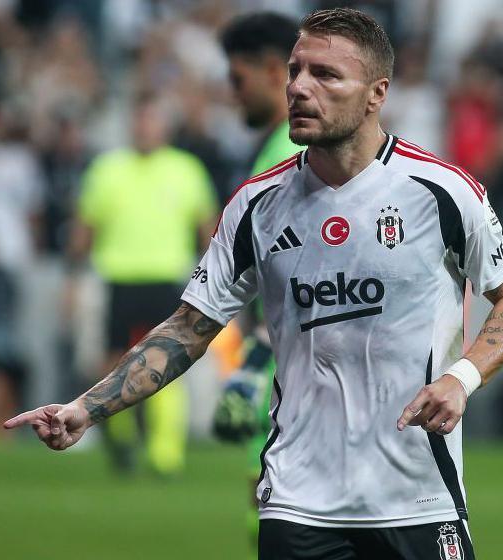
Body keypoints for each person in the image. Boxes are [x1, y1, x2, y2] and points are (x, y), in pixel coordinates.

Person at [7, 9, 503, 559]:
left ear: (377, 93)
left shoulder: (442, 192)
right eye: (295, 71)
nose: (300, 88)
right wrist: (84, 409)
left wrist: (462, 378)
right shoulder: (255, 206)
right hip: (298, 502)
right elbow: (189, 327)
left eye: (326, 75)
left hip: (418, 497)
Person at [66, 90, 219, 475]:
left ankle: (165, 452)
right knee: (114, 360)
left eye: (152, 121)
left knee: (168, 359)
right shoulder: (108, 169)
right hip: (118, 278)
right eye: (140, 120)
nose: (145, 128)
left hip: (167, 277)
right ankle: (121, 440)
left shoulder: (186, 170)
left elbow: (209, 229)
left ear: (165, 127)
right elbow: (84, 230)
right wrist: (73, 278)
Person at [213, 10, 303, 550]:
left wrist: (255, 359)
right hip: (282, 369)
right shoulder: (276, 149)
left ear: (273, 71)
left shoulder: (292, 154)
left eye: (237, 78)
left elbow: (302, 274)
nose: (232, 93)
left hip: (295, 377)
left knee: (284, 522)